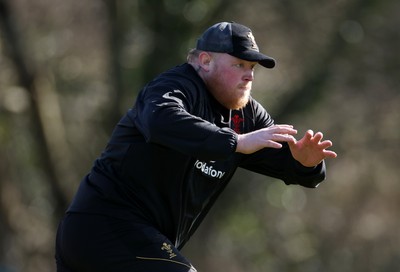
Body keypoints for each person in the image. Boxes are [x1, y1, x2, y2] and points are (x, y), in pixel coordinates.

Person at [55, 21, 337, 272]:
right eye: (239, 64)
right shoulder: (175, 86)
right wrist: (235, 142)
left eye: (251, 68)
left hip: (134, 241)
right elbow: (159, 120)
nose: (249, 76)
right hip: (102, 227)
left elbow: (291, 165)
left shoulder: (247, 116)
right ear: (205, 60)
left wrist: (306, 162)